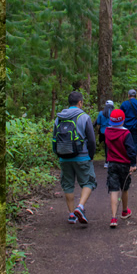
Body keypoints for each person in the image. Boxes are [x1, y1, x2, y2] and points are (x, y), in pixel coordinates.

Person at [52, 91, 97, 224]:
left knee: (68, 185)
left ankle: (71, 214)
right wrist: (90, 155)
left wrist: (58, 154)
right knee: (89, 182)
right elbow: (92, 140)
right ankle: (80, 206)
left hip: (64, 157)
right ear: (80, 102)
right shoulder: (84, 117)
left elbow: (54, 139)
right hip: (82, 157)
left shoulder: (59, 118)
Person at [104, 109, 137, 228]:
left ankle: (113, 217)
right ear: (123, 120)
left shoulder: (107, 131)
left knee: (113, 189)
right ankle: (124, 211)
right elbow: (131, 150)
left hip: (112, 164)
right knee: (124, 188)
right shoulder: (126, 134)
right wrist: (133, 164)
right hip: (124, 164)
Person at [120, 89, 137, 169]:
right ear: (136, 96)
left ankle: (126, 162)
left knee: (125, 144)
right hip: (136, 127)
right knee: (134, 144)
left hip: (126, 128)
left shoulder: (124, 104)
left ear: (128, 95)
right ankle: (133, 164)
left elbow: (121, 116)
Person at [94, 100, 114, 169]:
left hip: (103, 132)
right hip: (112, 132)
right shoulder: (113, 113)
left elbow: (98, 122)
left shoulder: (101, 113)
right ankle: (112, 161)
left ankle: (106, 162)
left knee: (106, 147)